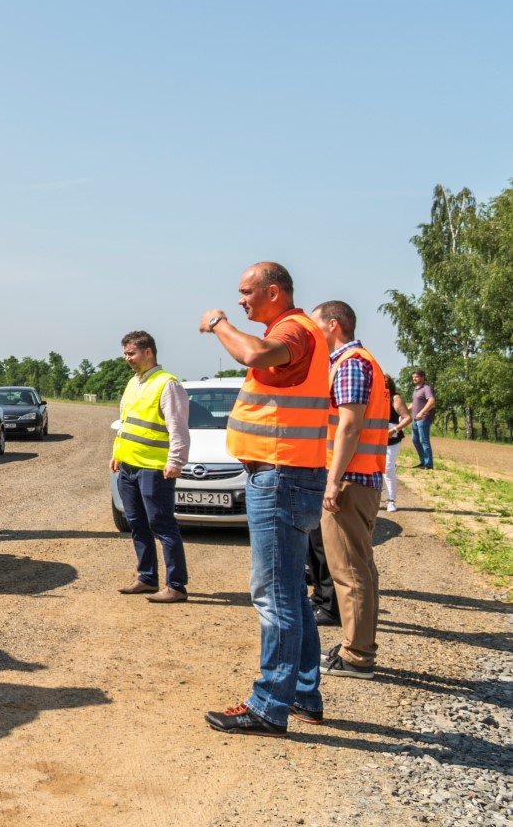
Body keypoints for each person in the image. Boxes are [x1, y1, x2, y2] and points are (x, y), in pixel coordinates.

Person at [199, 262, 330, 736]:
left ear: (273, 291)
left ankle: (269, 706)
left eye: (246, 291)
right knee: (292, 591)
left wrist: (218, 324)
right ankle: (302, 694)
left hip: (280, 475)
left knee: (274, 595)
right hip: (288, 472)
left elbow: (253, 355)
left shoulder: (293, 329)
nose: (240, 300)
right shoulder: (297, 328)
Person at [312, 300, 385, 679]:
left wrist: (332, 478)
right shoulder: (361, 361)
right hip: (360, 478)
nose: (313, 333)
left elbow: (349, 426)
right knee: (360, 568)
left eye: (316, 326)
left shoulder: (350, 363)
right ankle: (358, 648)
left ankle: (357, 656)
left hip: (350, 481)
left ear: (334, 325)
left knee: (349, 571)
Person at [110, 331, 191, 603]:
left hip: (155, 469)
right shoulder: (133, 383)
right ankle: (146, 578)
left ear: (148, 352)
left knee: (162, 525)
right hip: (129, 467)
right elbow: (125, 422)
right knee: (137, 524)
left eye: (131, 354)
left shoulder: (167, 384)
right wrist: (116, 453)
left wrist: (175, 461)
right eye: (125, 354)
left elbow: (178, 427)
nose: (127, 359)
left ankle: (176, 586)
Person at [383, 374, 411, 513]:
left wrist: (394, 429)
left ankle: (391, 500)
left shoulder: (395, 398)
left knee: (388, 468)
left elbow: (407, 418)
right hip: (374, 439)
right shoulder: (372, 396)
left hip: (392, 439)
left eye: (386, 382)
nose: (383, 384)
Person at [410, 370, 436, 470]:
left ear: (422, 377)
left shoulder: (426, 388)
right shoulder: (416, 390)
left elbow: (432, 401)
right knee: (415, 439)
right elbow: (414, 403)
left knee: (423, 440)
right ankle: (423, 461)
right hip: (415, 419)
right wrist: (403, 411)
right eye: (413, 377)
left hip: (424, 418)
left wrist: (421, 412)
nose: (414, 379)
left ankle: (428, 464)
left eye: (416, 377)